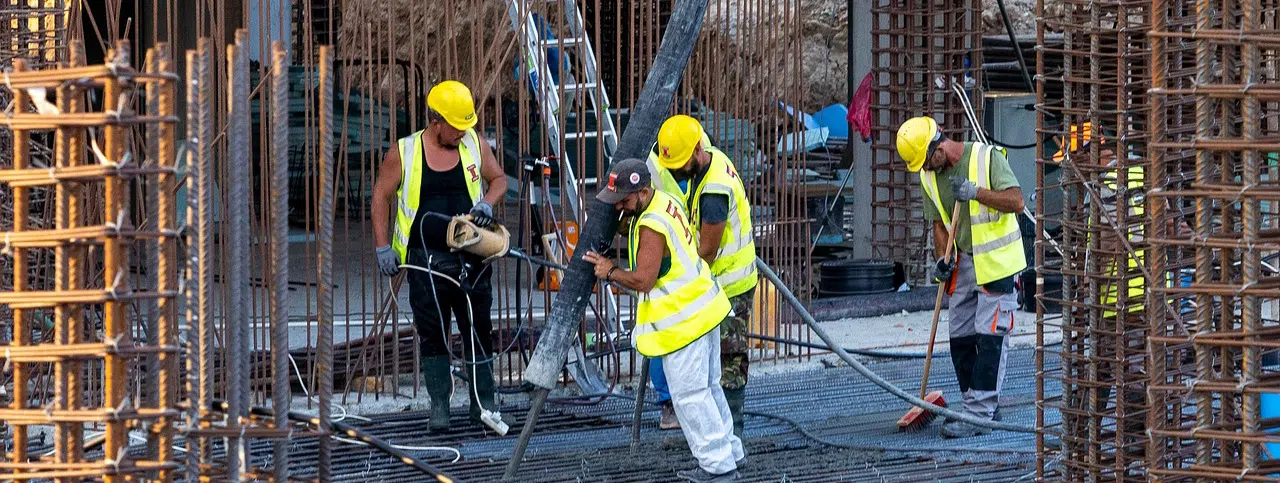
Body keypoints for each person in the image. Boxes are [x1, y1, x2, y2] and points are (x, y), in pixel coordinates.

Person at [584, 159, 744, 482]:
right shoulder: (664, 201)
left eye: (624, 200)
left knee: (690, 397)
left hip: (685, 324)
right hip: (705, 310)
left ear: (643, 191)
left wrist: (609, 270)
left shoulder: (650, 225)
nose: (620, 205)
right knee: (709, 389)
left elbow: (644, 280)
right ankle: (730, 454)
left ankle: (718, 467)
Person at [370, 80, 509, 431]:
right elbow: (380, 198)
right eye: (457, 127)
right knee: (433, 334)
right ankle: (439, 407)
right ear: (436, 122)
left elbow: (499, 180)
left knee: (478, 330)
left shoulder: (474, 144)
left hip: (471, 258)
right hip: (425, 262)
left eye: (466, 126)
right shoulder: (404, 153)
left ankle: (484, 405)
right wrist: (382, 246)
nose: (463, 133)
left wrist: (486, 204)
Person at [895, 116, 1027, 438]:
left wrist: (976, 192)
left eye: (926, 161)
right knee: (961, 337)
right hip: (965, 263)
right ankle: (977, 403)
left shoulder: (986, 158)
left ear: (937, 147)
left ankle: (980, 414)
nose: (925, 169)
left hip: (997, 262)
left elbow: (1017, 201)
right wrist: (944, 259)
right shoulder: (929, 178)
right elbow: (940, 225)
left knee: (990, 335)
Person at [644, 115, 758, 438]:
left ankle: (732, 435)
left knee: (729, 360)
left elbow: (706, 250)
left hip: (731, 286)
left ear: (697, 150)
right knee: (711, 361)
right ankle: (716, 433)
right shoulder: (707, 162)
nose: (678, 172)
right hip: (714, 284)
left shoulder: (713, 194)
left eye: (681, 164)